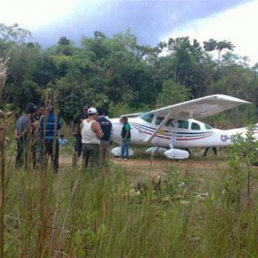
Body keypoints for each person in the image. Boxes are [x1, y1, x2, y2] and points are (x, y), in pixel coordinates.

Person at [15, 103, 38, 168]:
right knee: (26, 155)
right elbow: (28, 129)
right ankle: (26, 169)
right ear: (31, 112)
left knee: (19, 154)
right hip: (25, 140)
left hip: (19, 140)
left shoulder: (20, 118)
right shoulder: (28, 119)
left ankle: (17, 168)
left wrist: (16, 136)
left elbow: (16, 128)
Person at [40, 105, 62, 173]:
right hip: (54, 140)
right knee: (54, 157)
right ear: (53, 110)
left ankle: (43, 170)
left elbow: (41, 127)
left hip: (45, 140)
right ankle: (54, 171)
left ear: (47, 110)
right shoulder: (56, 118)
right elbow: (59, 126)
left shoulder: (44, 118)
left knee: (44, 156)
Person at [81, 107, 103, 171]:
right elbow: (99, 136)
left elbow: (81, 132)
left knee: (84, 161)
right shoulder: (95, 123)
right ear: (95, 114)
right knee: (92, 162)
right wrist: (102, 134)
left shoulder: (82, 122)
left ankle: (83, 175)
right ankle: (90, 176)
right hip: (93, 145)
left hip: (84, 144)